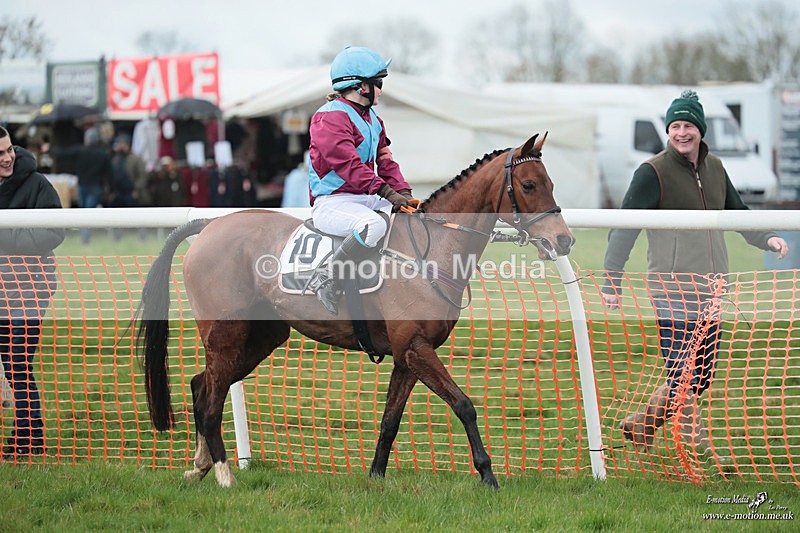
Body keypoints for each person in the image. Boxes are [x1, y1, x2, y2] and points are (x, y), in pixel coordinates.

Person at [601, 90, 789, 455]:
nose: (681, 133)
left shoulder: (716, 168)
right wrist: (612, 280)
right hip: (671, 290)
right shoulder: (651, 172)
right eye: (675, 126)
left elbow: (737, 212)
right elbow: (622, 227)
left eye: (688, 125)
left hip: (712, 290)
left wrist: (768, 237)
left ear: (700, 130)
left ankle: (642, 424)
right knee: (681, 375)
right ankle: (700, 455)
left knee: (699, 377)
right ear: (668, 131)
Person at [308, 45, 414, 315]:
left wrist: (405, 194)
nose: (381, 88)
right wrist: (388, 193)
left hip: (363, 198)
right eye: (378, 82)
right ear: (360, 86)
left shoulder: (374, 119)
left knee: (407, 221)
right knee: (373, 225)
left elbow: (386, 162)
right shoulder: (329, 117)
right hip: (332, 202)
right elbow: (348, 165)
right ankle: (327, 277)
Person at [0, 125, 65, 459]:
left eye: (9, 149)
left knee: (17, 363)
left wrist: (8, 242)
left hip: (30, 289)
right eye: (0, 154)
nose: (8, 157)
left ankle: (29, 438)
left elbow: (55, 230)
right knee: (11, 365)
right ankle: (25, 435)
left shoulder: (37, 184)